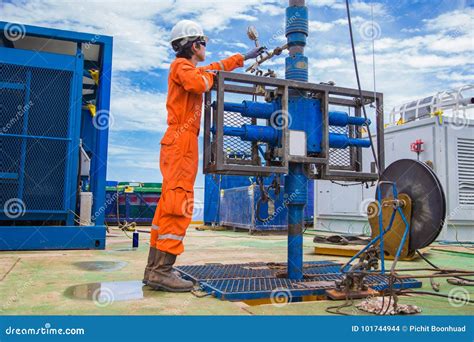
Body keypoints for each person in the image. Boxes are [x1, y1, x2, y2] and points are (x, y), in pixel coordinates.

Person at [143, 20, 266, 292]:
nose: (206, 48)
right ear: (193, 45)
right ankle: (161, 271)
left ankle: (154, 269)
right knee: (178, 201)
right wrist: (210, 75)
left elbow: (212, 69)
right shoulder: (181, 67)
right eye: (204, 43)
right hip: (180, 142)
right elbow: (200, 82)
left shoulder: (188, 67)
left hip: (180, 142)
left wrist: (243, 58)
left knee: (168, 204)